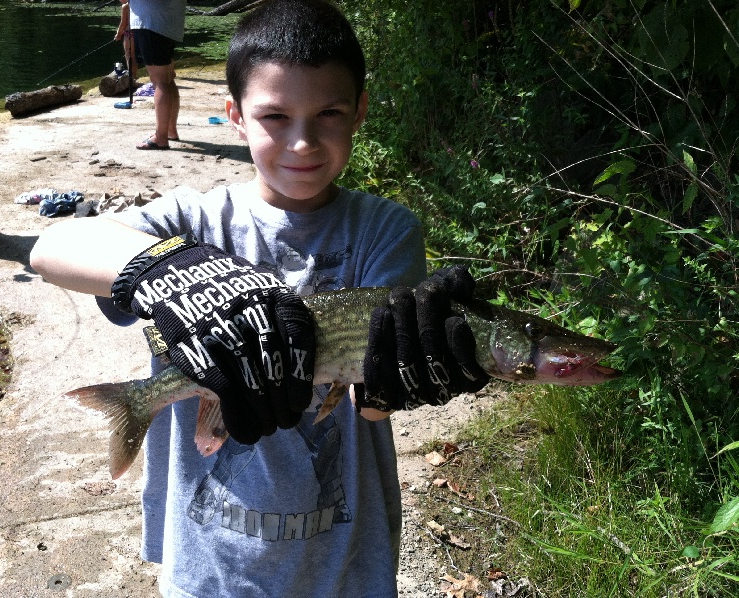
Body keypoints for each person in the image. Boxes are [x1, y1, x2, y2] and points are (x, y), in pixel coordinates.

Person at [30, 1, 489, 595]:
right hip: (208, 554)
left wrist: (412, 375)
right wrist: (166, 265)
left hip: (341, 554)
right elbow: (52, 246)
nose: (302, 143)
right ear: (235, 117)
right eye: (275, 116)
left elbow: (372, 407)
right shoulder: (189, 219)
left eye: (329, 114)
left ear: (360, 114)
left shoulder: (387, 230)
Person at [127, 0, 185, 149]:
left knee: (160, 81)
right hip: (167, 26)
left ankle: (160, 137)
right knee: (167, 79)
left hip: (150, 24)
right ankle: (170, 130)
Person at [115, 0, 138, 81]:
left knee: (129, 56)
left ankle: (133, 78)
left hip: (129, 34)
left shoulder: (125, 6)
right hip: (140, 33)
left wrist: (118, 35)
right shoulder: (139, 4)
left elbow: (123, 23)